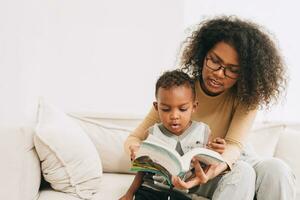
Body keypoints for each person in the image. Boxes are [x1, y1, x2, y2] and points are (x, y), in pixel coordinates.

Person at [124, 16, 296, 200]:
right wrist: (136, 150)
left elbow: (234, 147)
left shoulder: (247, 98)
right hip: (200, 169)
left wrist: (211, 171)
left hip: (235, 158)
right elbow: (133, 139)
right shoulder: (181, 93)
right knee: (242, 172)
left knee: (277, 169)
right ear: (202, 55)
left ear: (244, 73)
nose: (219, 74)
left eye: (232, 69)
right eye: (214, 61)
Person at [119, 70, 226, 200]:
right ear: (156, 107)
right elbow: (143, 170)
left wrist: (216, 150)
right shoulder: (152, 132)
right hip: (150, 190)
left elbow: (209, 165)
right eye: (166, 109)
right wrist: (129, 193)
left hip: (182, 193)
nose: (174, 116)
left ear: (194, 106)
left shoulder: (203, 131)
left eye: (182, 109)